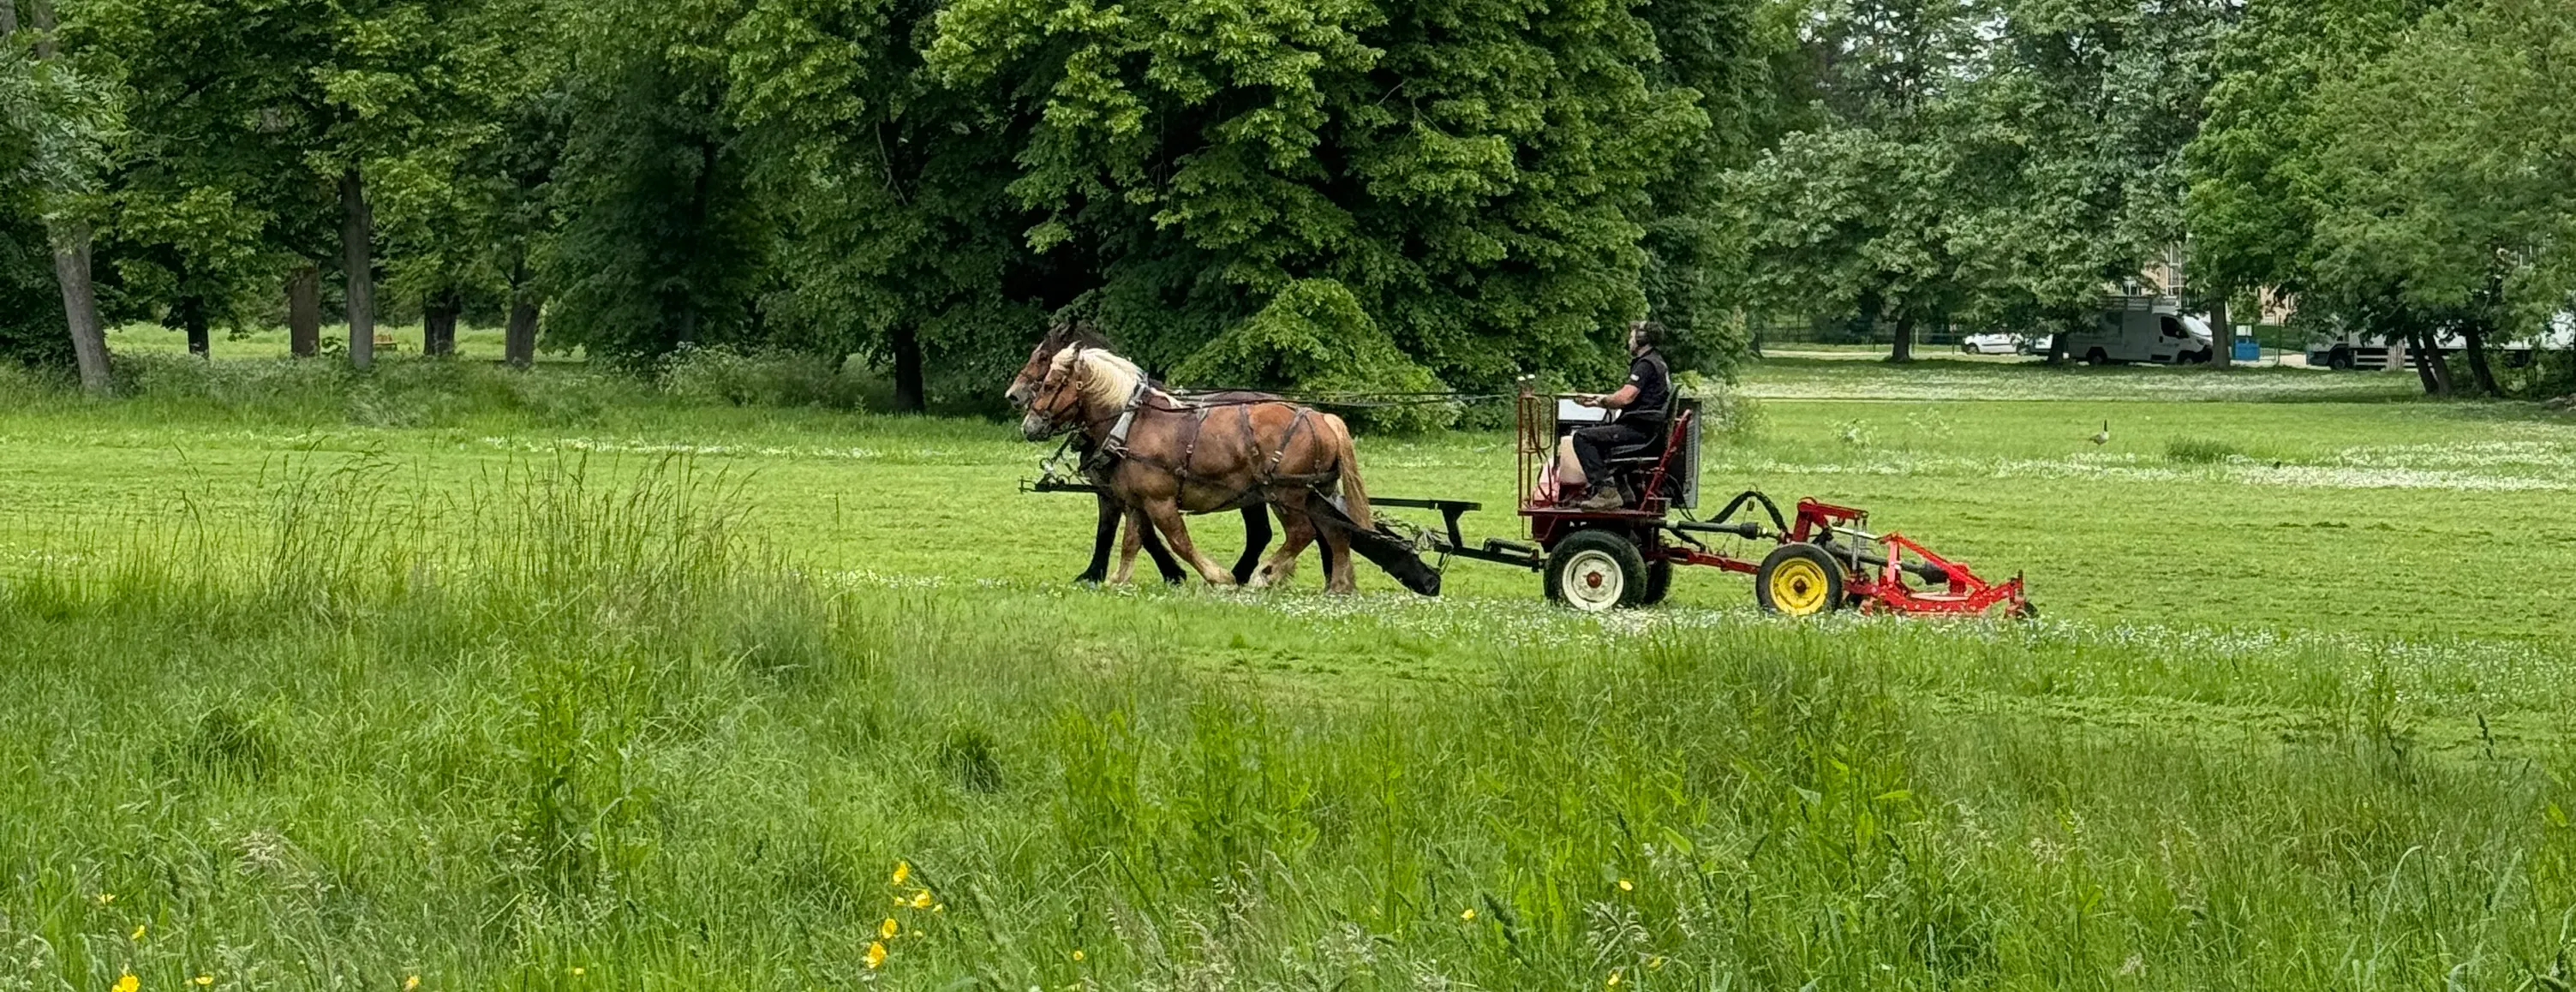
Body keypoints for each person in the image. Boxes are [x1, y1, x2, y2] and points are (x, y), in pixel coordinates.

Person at [1561, 320, 1672, 511]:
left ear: (1641, 338)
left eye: (1632, 336)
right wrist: (1597, 400)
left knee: (1582, 438)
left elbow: (1624, 398)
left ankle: (1607, 492)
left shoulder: (1645, 365)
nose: (1629, 341)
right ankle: (1623, 490)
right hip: (1648, 429)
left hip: (1638, 431)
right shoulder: (1657, 361)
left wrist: (1603, 400)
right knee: (1600, 436)